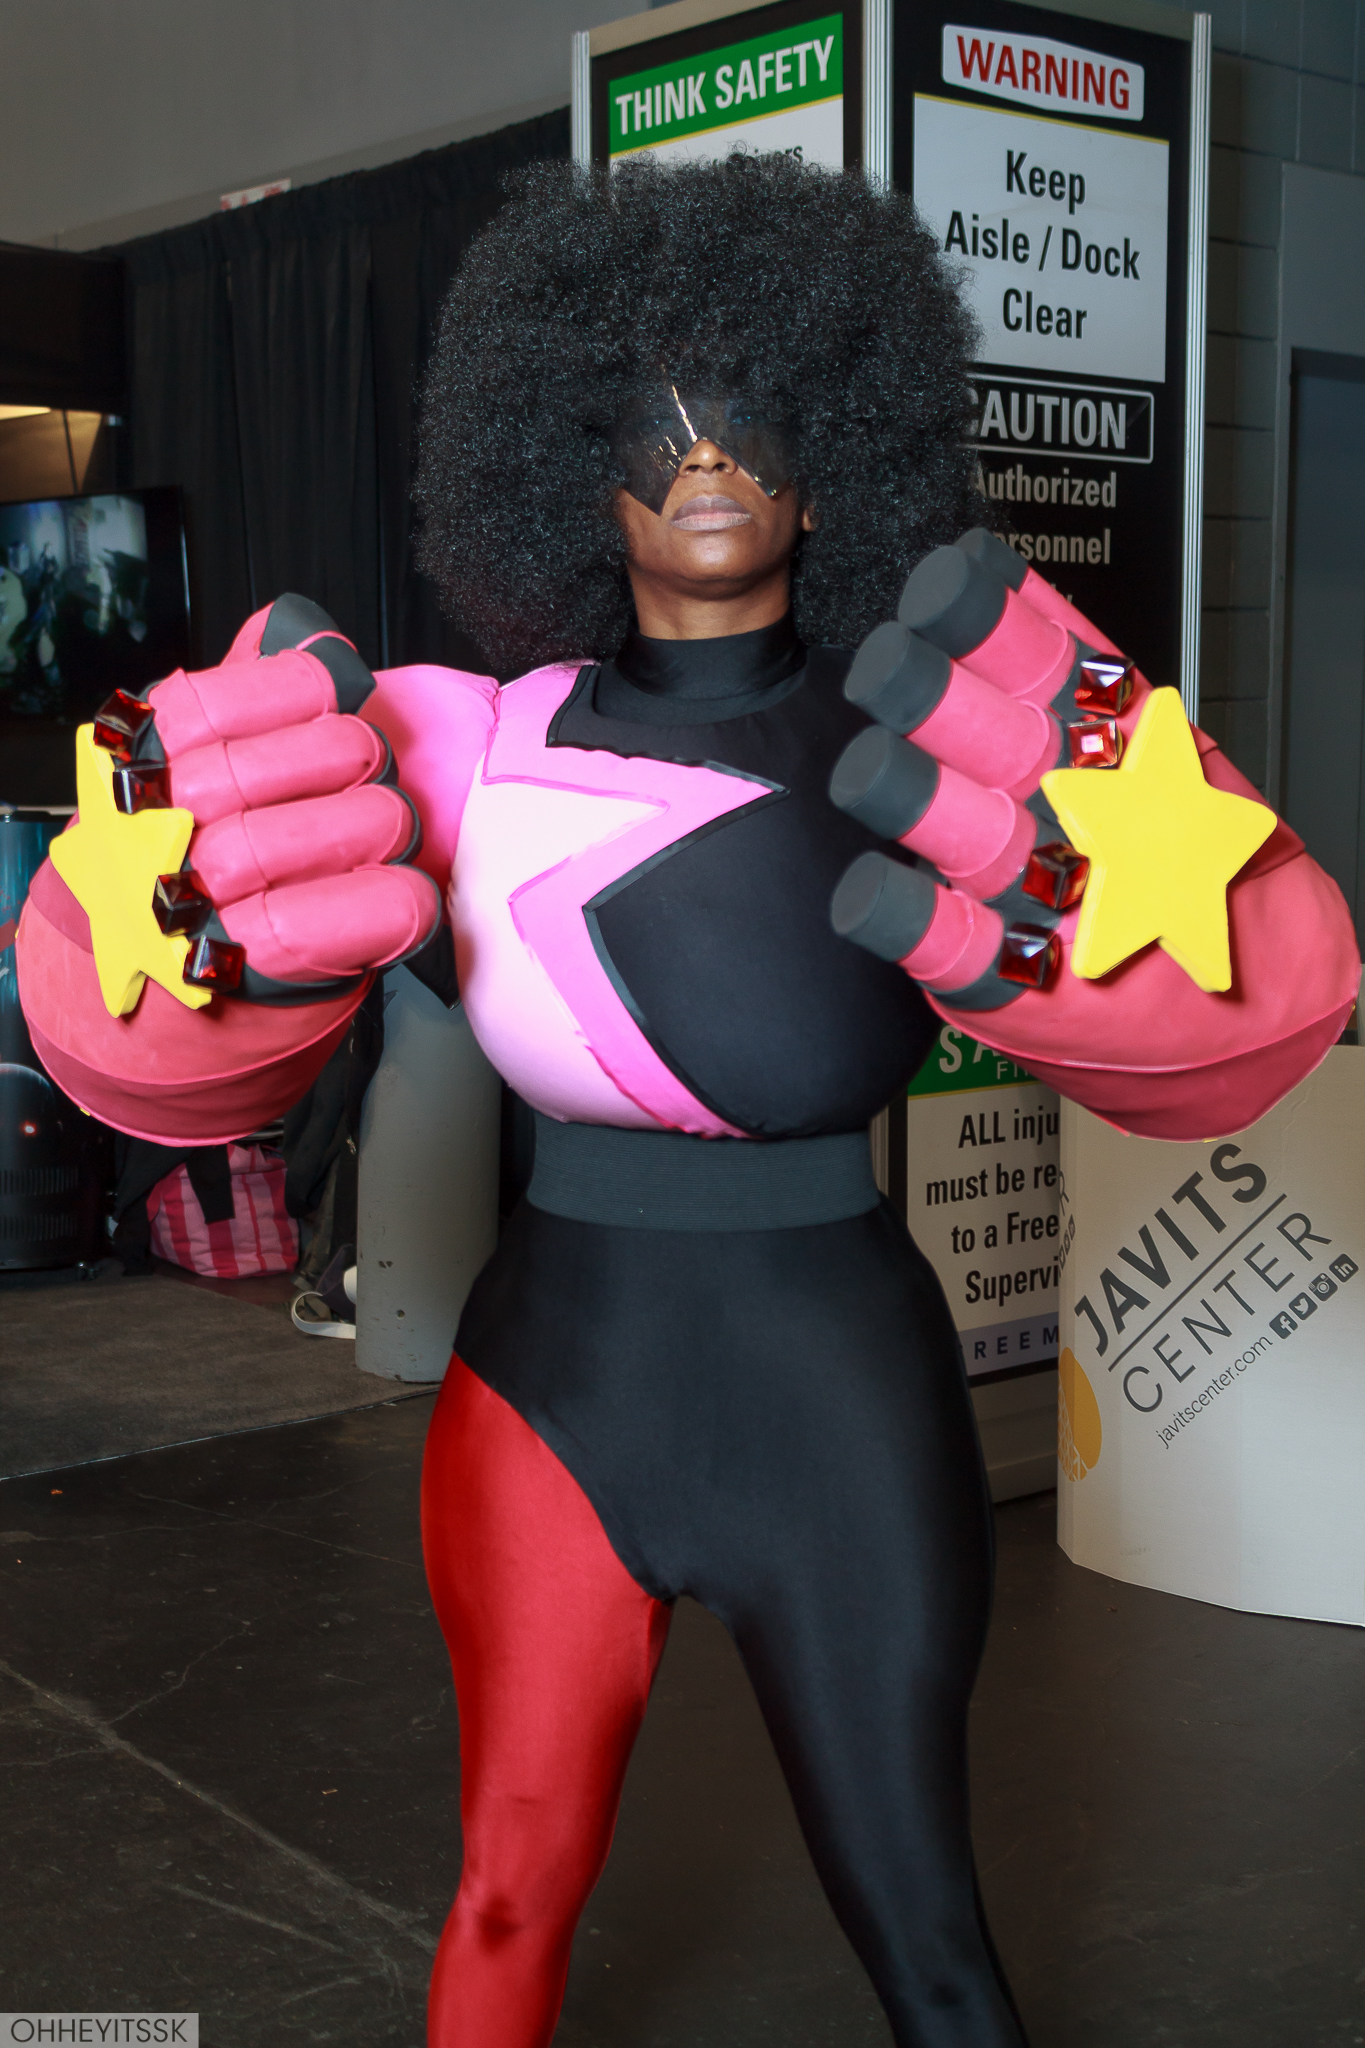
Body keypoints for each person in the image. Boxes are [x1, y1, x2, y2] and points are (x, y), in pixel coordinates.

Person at [16, 156, 1358, 2048]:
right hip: (550, 1396)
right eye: (652, 416)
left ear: (835, 453)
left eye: (752, 408)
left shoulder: (939, 742)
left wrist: (1202, 961)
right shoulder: (464, 746)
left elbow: (1231, 990)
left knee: (925, 1927)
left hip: (841, 1405)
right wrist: (141, 968)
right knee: (505, 1891)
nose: (705, 451)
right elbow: (188, 998)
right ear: (572, 464)